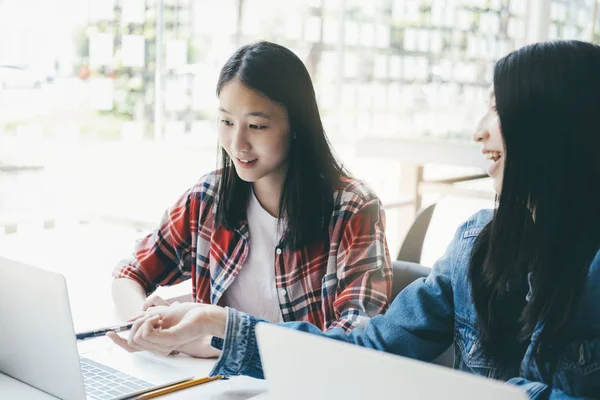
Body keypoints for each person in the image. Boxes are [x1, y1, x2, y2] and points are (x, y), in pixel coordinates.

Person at [109, 41, 392, 358]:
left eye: (257, 126)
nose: (237, 143)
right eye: (227, 122)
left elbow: (356, 340)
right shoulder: (208, 197)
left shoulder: (353, 208)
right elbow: (129, 274)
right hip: (211, 384)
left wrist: (215, 339)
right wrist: (145, 324)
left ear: (297, 125)